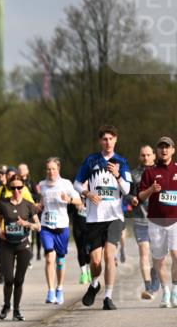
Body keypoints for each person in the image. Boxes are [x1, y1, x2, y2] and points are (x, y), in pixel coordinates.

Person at [75, 124, 132, 310]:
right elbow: (76, 183)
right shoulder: (91, 160)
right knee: (96, 261)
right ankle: (94, 285)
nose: (108, 142)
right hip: (94, 218)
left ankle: (108, 297)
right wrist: (87, 193)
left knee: (109, 255)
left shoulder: (122, 162)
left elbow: (127, 190)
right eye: (105, 139)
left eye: (111, 139)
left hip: (114, 217)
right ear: (100, 141)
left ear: (116, 140)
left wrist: (117, 175)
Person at [138, 136, 177, 308]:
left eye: (167, 147)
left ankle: (175, 290)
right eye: (161, 147)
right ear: (157, 151)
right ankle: (165, 291)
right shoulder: (150, 172)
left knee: (176, 255)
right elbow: (140, 196)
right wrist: (151, 189)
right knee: (159, 260)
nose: (164, 150)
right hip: (156, 222)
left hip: (175, 221)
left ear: (173, 150)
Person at [36, 157, 81, 305]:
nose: (51, 172)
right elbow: (41, 202)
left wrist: (69, 199)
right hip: (46, 227)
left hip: (62, 227)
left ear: (58, 169)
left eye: (53, 169)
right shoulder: (42, 185)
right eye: (48, 169)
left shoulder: (66, 183)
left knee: (60, 261)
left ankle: (59, 288)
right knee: (50, 258)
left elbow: (79, 201)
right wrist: (39, 206)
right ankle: (50, 291)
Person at [0, 179, 41, 320]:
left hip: (23, 245)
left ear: (23, 188)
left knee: (19, 280)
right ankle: (6, 305)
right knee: (8, 279)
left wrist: (26, 223)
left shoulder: (29, 205)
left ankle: (16, 311)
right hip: (7, 245)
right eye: (13, 188)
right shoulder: (3, 203)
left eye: (19, 187)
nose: (16, 190)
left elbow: (38, 226)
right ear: (10, 189)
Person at [130, 145, 159, 299]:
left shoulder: (161, 172)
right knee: (144, 251)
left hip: (159, 220)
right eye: (143, 155)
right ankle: (148, 288)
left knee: (157, 255)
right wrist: (131, 198)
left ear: (154, 156)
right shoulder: (133, 175)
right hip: (140, 219)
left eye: (148, 155)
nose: (146, 158)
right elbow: (126, 193)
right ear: (139, 157)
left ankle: (155, 282)